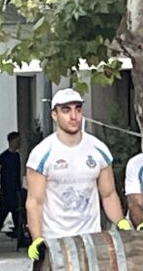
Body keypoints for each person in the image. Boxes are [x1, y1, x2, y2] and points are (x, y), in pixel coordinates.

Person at [25, 88, 130, 260]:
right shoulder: (42, 154)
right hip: (56, 243)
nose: (73, 116)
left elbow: (108, 194)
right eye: (66, 110)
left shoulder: (98, 150)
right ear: (54, 114)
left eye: (78, 109)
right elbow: (34, 202)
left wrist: (120, 221)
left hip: (91, 242)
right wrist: (37, 239)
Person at [0, 131, 24, 250]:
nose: (19, 143)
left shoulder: (17, 156)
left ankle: (21, 240)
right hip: (6, 193)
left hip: (16, 192)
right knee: (1, 217)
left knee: (18, 217)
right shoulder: (4, 156)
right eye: (17, 141)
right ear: (11, 141)